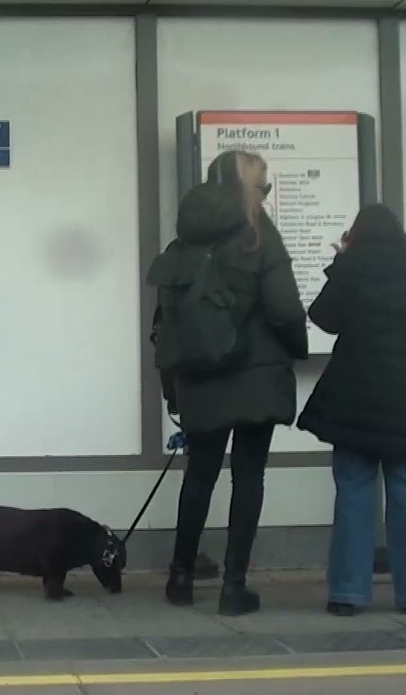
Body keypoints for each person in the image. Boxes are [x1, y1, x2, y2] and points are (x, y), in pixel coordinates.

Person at [151, 150, 309, 616]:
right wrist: (295, 347)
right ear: (247, 189)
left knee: (199, 474)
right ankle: (233, 587)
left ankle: (180, 576)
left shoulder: (184, 243)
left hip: (198, 376)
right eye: (263, 186)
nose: (266, 194)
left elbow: (167, 320)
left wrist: (170, 385)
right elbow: (283, 307)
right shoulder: (260, 237)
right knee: (248, 476)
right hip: (256, 376)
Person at [296, 203, 406, 616]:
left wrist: (341, 261)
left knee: (353, 494)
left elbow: (322, 317)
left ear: (356, 236)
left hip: (355, 407)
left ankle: (348, 594)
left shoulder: (353, 272)